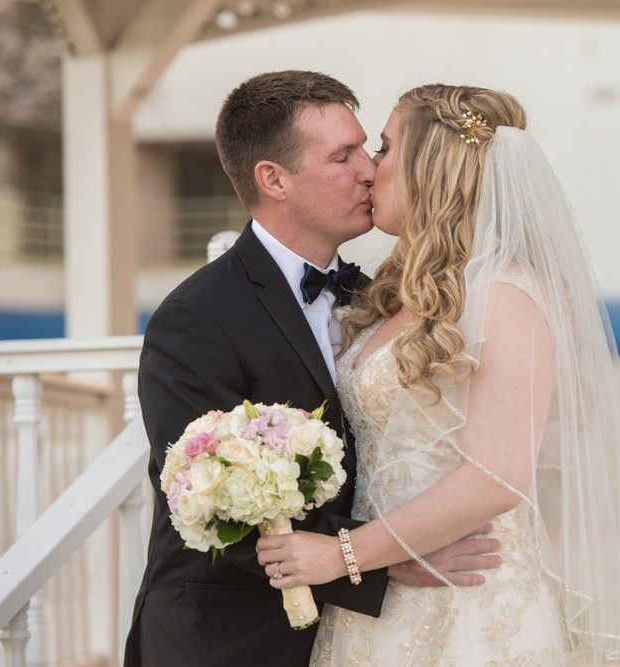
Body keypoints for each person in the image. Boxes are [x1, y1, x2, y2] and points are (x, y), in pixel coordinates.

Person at [256, 84, 620, 665]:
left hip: (469, 605)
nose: (369, 169)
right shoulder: (398, 298)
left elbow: (497, 475)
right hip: (385, 598)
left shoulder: (505, 294)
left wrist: (344, 554)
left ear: (430, 169)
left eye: (385, 149)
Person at [125, 72, 500, 667]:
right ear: (273, 179)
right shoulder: (195, 318)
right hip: (228, 641)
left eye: (367, 149)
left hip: (359, 634)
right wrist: (382, 558)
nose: (368, 171)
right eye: (342, 156)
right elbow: (204, 495)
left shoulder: (380, 298)